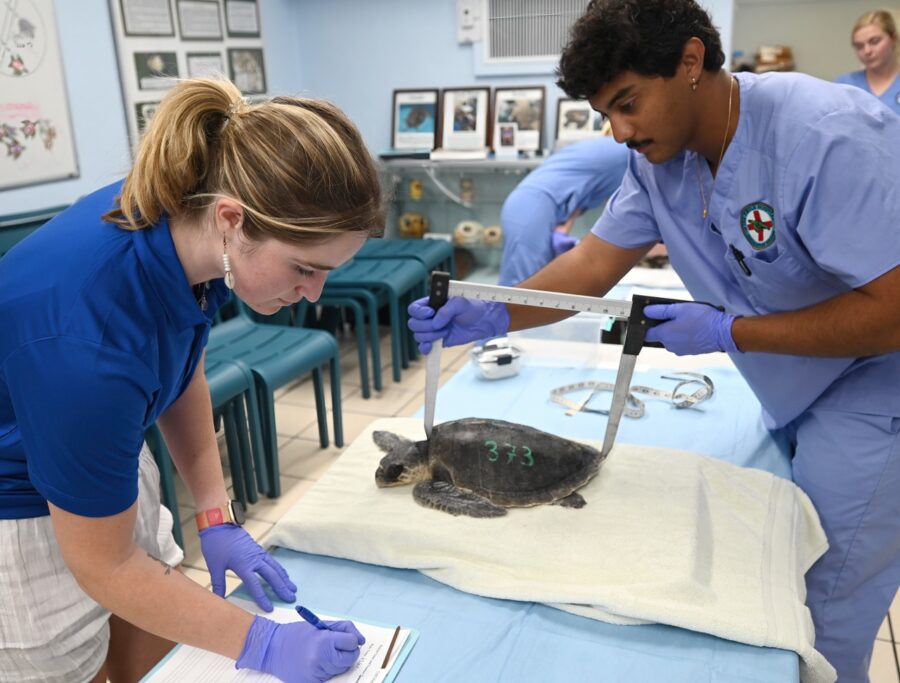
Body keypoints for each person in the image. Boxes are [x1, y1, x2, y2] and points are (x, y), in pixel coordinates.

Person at [408, 1, 900, 680]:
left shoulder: (823, 133)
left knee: (822, 616)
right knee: (781, 577)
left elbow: (894, 309)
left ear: (691, 62)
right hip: (793, 391)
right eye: (605, 113)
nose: (617, 131)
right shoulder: (659, 163)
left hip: (876, 397)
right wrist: (490, 310)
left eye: (627, 103)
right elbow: (588, 266)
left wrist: (732, 332)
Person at [0, 77, 384, 683]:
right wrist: (263, 643)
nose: (314, 294)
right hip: (19, 507)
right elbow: (106, 567)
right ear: (232, 220)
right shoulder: (89, 343)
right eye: (306, 268)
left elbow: (179, 361)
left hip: (101, 449)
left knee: (152, 651)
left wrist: (215, 515)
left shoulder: (184, 222)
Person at [498, 136, 629, 286]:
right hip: (532, 210)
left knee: (535, 287)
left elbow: (577, 188)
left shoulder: (610, 150)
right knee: (521, 290)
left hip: (533, 207)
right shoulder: (632, 153)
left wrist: (563, 227)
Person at [835, 9, 900, 115]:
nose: (867, 51)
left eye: (875, 41)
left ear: (894, 39)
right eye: (859, 46)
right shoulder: (845, 85)